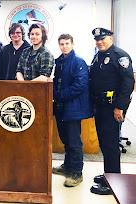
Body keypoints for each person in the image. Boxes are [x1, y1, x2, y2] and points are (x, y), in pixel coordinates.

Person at [89, 27, 134, 195]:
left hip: (112, 108)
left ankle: (113, 182)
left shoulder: (120, 56)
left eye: (103, 38)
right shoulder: (98, 56)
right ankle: (109, 173)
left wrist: (119, 108)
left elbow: (128, 83)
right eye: (97, 39)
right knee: (104, 143)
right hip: (100, 106)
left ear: (111, 38)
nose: (99, 42)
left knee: (110, 144)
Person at [52, 34, 93, 187]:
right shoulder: (58, 62)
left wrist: (59, 95)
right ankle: (67, 166)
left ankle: (77, 172)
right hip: (60, 108)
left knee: (74, 141)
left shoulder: (78, 62)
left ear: (72, 44)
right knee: (65, 139)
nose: (65, 46)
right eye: (62, 44)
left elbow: (80, 86)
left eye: (67, 43)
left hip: (73, 107)